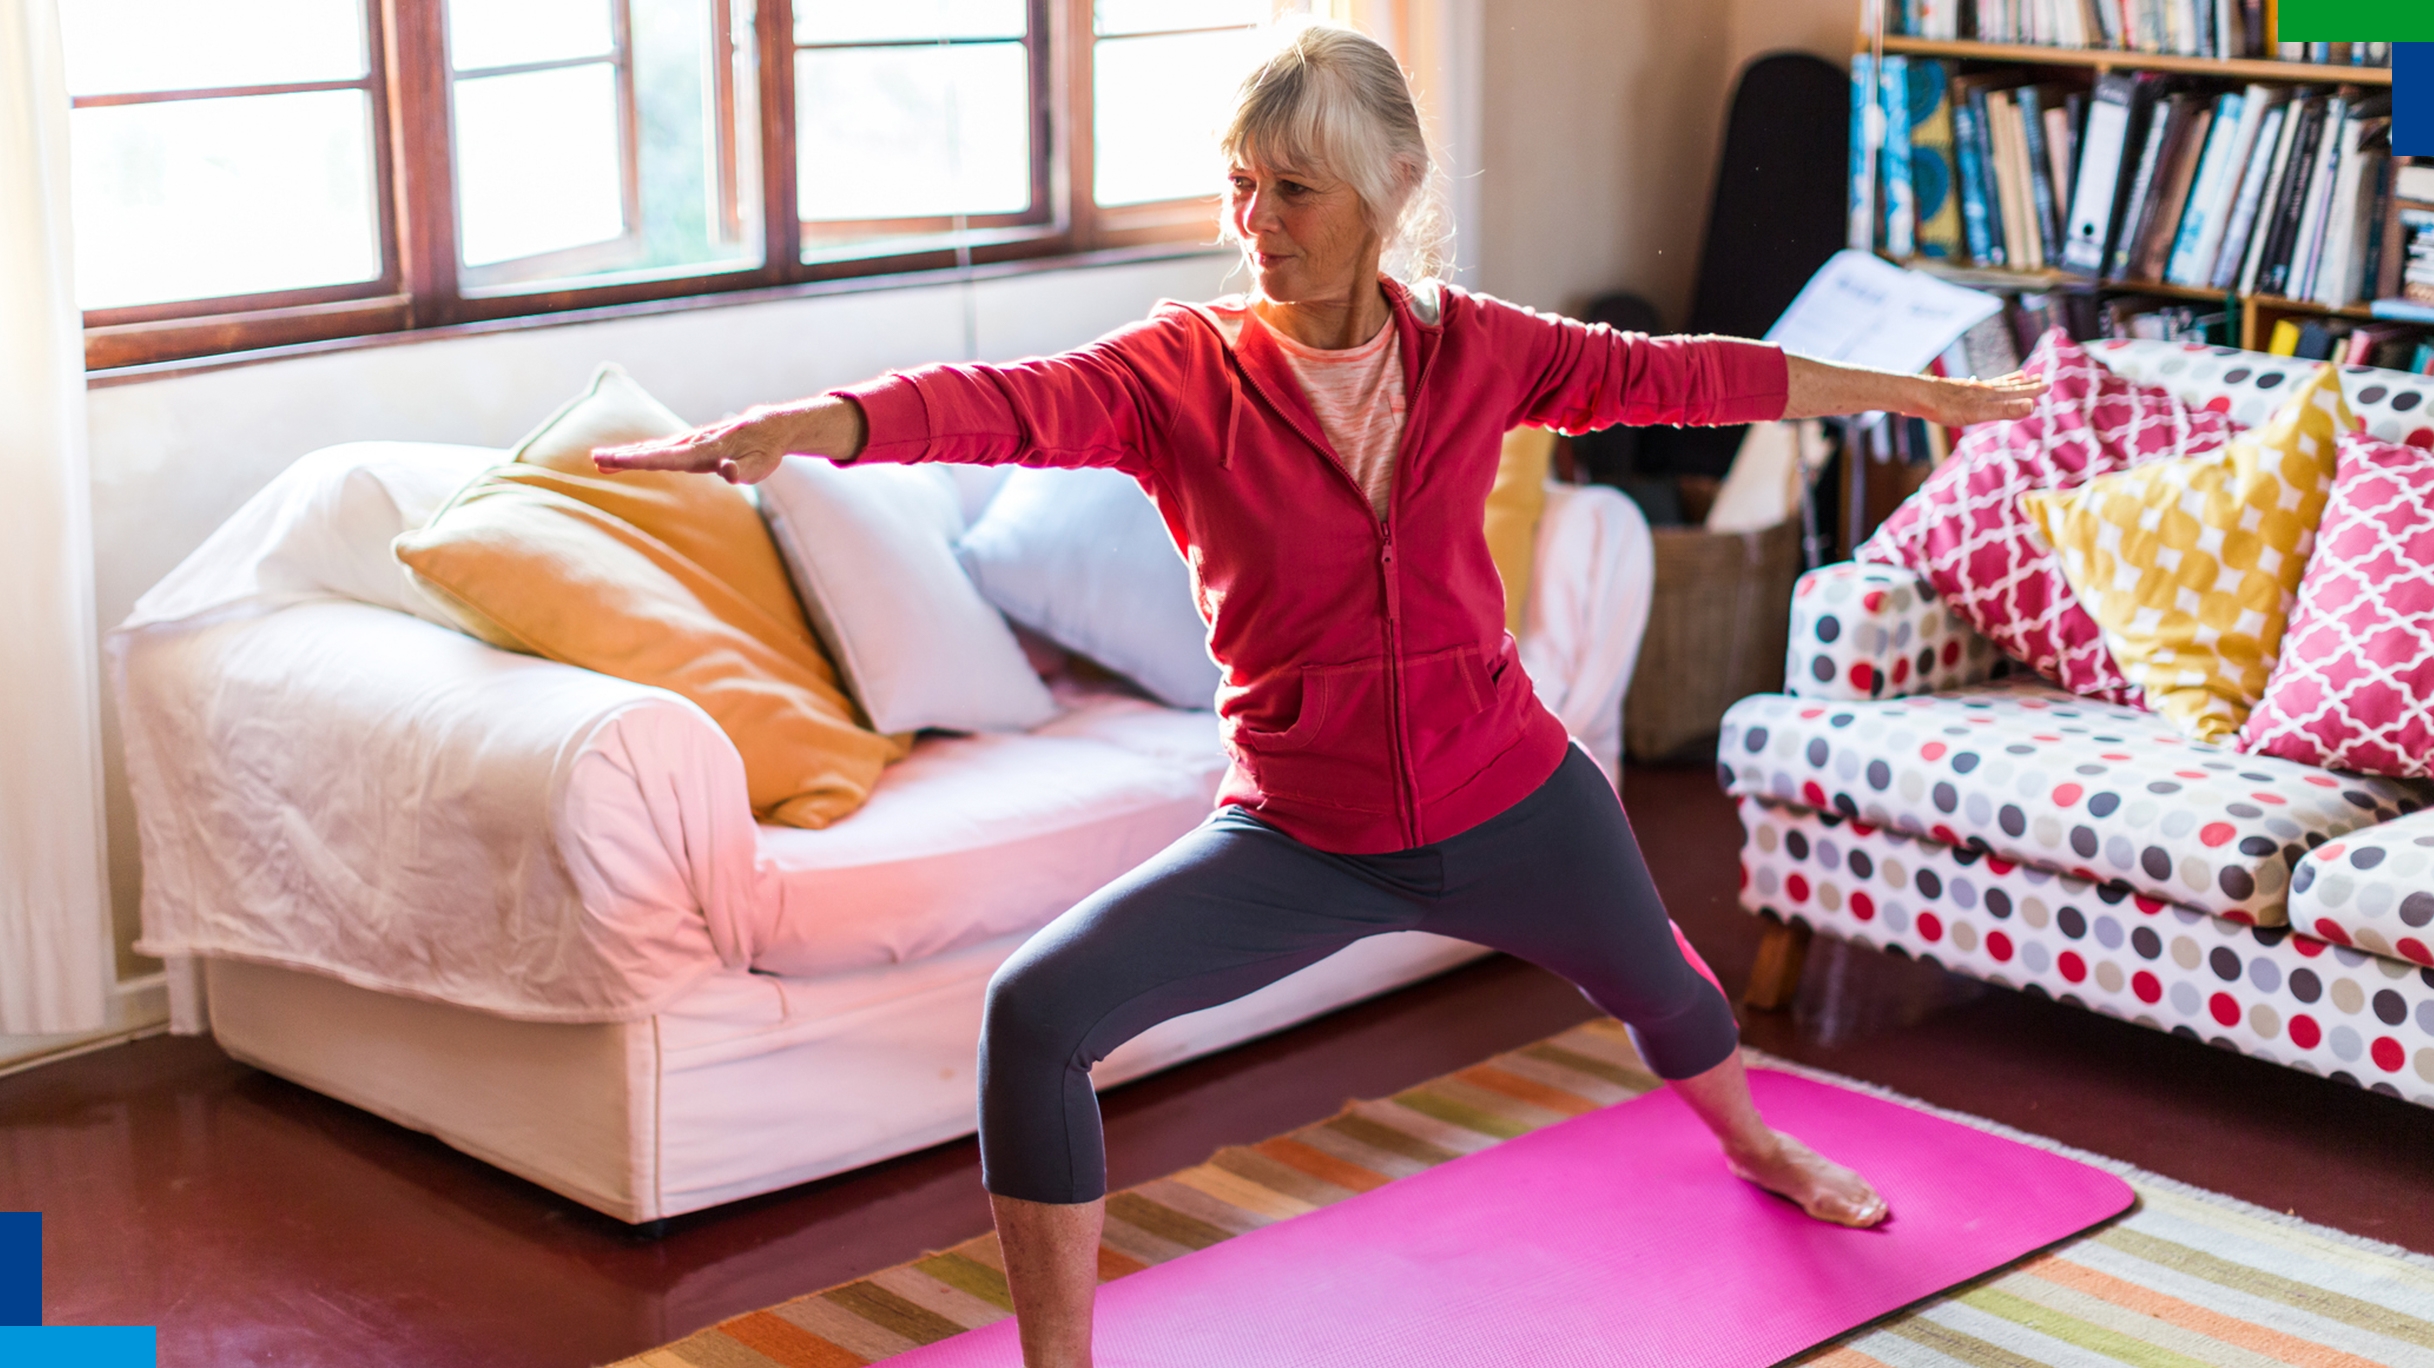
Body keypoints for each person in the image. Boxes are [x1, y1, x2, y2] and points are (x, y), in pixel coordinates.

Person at [598, 20, 2044, 1367]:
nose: (1257, 225)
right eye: (1240, 187)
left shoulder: (1478, 348)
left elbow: (1676, 376)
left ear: (1388, 187)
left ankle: (1752, 1143)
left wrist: (1906, 396)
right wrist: (818, 424)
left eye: (1293, 189)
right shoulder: (1177, 377)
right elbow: (1002, 400)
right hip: (1298, 836)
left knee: (1663, 984)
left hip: (1513, 795)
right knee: (1035, 1014)